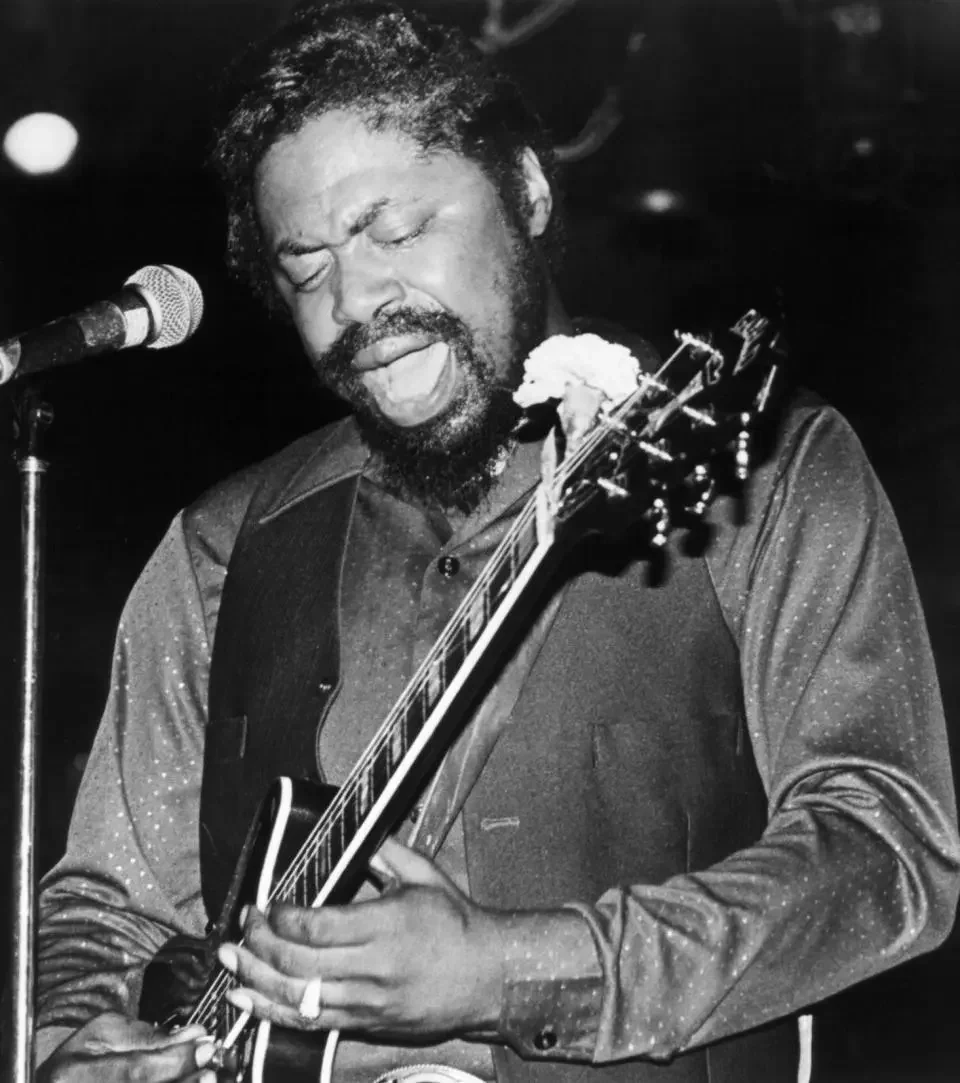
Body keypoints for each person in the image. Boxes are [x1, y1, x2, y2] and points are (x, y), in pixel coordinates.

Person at [33, 3, 960, 1082]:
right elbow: (107, 908)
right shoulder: (218, 546)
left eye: (396, 230)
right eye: (307, 265)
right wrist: (72, 1036)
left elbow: (888, 852)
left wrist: (513, 971)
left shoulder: (762, 459)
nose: (357, 303)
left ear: (526, 190)